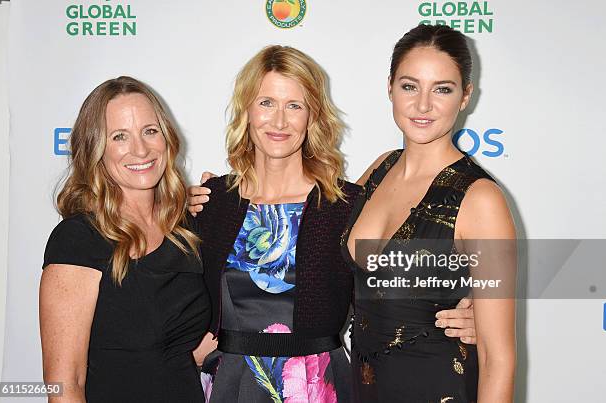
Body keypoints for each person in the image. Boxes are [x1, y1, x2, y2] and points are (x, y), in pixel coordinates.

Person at [341, 24, 516, 401]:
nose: (423, 105)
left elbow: (497, 357)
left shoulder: (480, 199)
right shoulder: (379, 169)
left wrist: (480, 321)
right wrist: (209, 198)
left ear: (465, 96)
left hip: (439, 386)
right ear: (389, 87)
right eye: (409, 86)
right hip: (364, 387)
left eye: (442, 89)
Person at [194, 45, 360, 403]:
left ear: (313, 117)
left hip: (316, 386)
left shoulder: (347, 206)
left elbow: (389, 296)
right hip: (229, 385)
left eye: (294, 106)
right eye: (266, 103)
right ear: (247, 111)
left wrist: (467, 312)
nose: (279, 121)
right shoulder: (213, 201)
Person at [40, 76, 210, 403]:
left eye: (150, 131)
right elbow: (64, 387)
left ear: (167, 138)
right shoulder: (78, 240)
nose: (141, 149)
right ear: (96, 149)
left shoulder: (186, 229)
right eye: (120, 137)